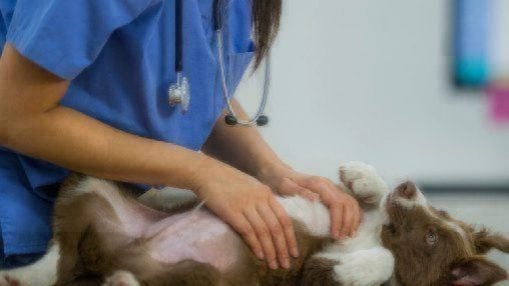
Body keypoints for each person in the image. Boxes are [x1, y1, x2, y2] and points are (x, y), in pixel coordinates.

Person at [0, 0, 361, 271]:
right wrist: (198, 171)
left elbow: (188, 85)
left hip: (99, 223)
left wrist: (271, 170)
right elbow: (14, 114)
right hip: (16, 214)